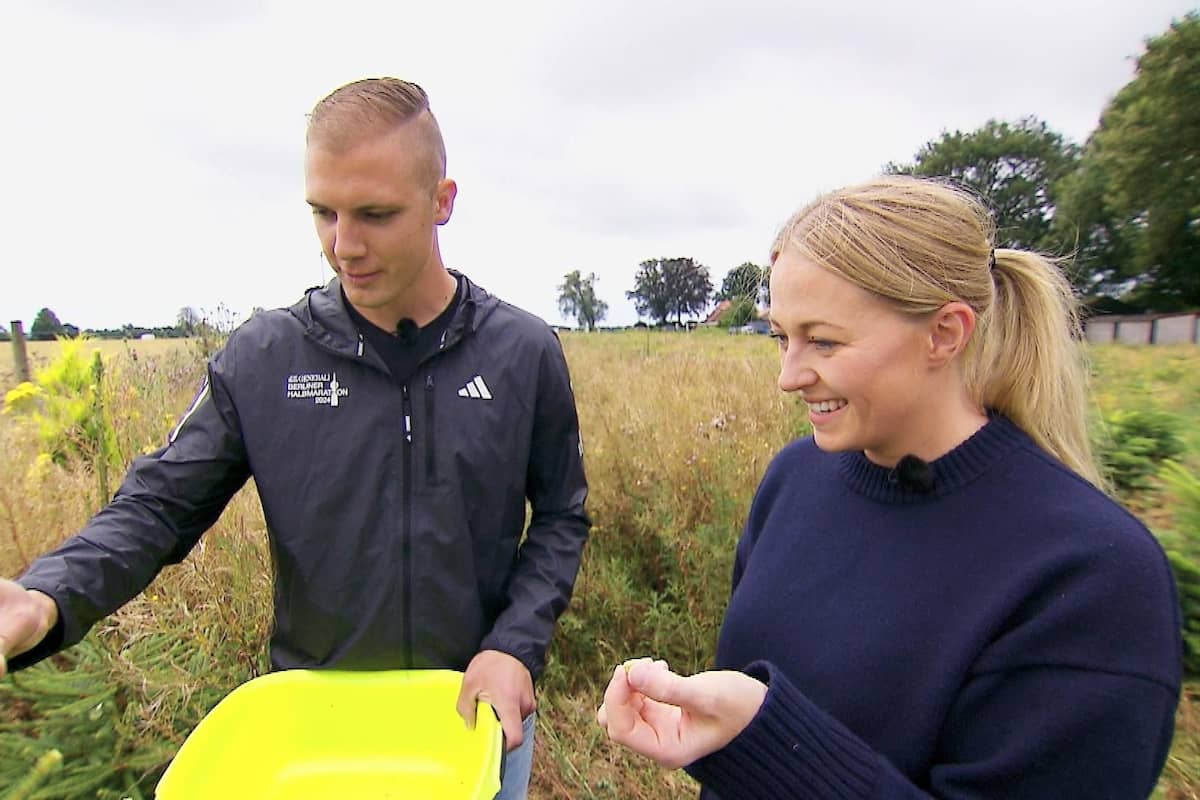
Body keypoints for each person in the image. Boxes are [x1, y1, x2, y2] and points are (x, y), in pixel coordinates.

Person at [0, 77, 590, 800]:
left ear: (443, 201)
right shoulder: (265, 358)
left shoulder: (522, 351)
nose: (343, 247)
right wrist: (46, 596)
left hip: (471, 723)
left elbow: (562, 515)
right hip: (315, 737)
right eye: (323, 213)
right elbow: (157, 507)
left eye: (375, 214)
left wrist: (514, 647)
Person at [598, 176, 1182, 798]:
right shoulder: (796, 479)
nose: (789, 377)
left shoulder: (1091, 576)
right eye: (781, 338)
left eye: (822, 340)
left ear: (945, 334)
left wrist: (767, 742)